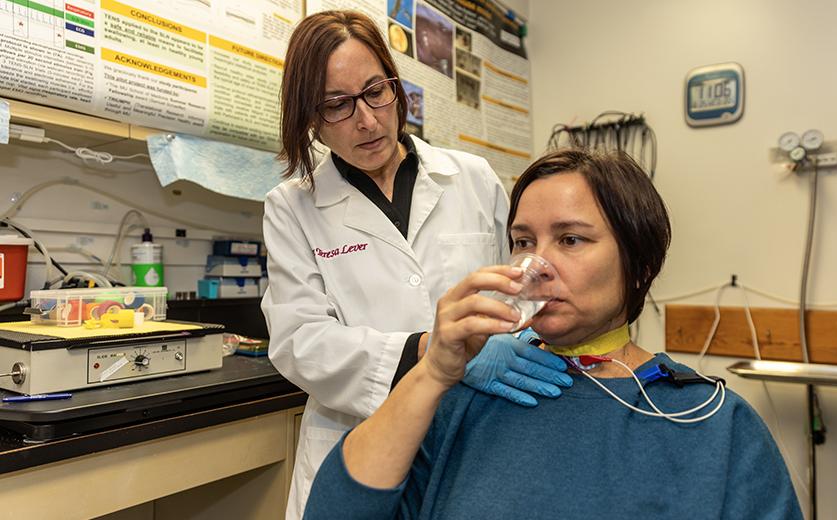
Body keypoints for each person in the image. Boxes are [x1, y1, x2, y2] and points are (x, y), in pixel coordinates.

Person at [304, 149, 804, 519]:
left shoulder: (712, 424)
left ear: (640, 263)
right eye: (523, 241)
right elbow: (334, 511)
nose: (535, 266)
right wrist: (433, 372)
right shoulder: (463, 402)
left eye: (570, 239)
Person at [261, 10, 571, 520]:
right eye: (337, 105)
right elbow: (300, 343)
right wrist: (432, 351)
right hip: (357, 441)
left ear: (396, 87)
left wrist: (516, 337)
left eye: (374, 91)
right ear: (310, 119)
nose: (366, 119)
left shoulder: (471, 177)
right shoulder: (290, 207)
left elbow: (518, 287)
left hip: (471, 431)